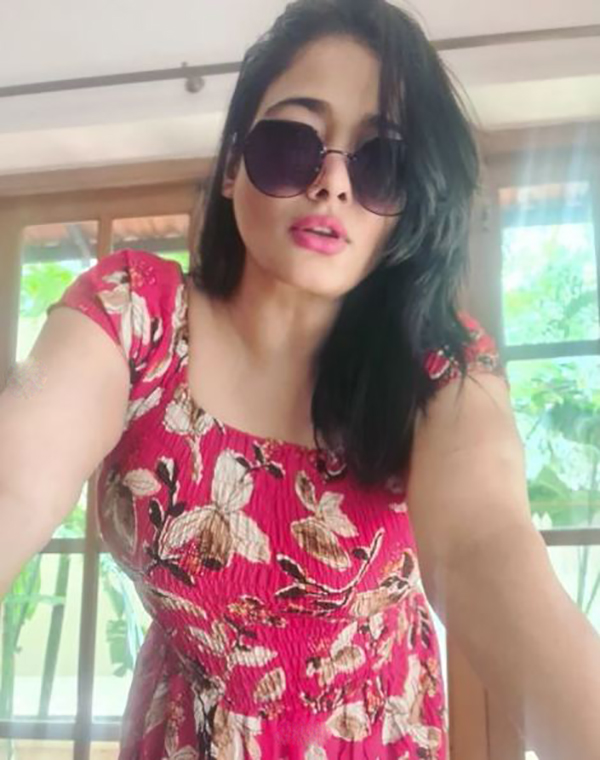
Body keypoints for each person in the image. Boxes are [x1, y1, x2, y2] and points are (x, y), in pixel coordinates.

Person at [1, 0, 599, 757]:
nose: (333, 183)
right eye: (293, 143)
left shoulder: (436, 364)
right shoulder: (135, 318)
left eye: (381, 161)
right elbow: (14, 479)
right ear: (231, 167)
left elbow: (486, 546)